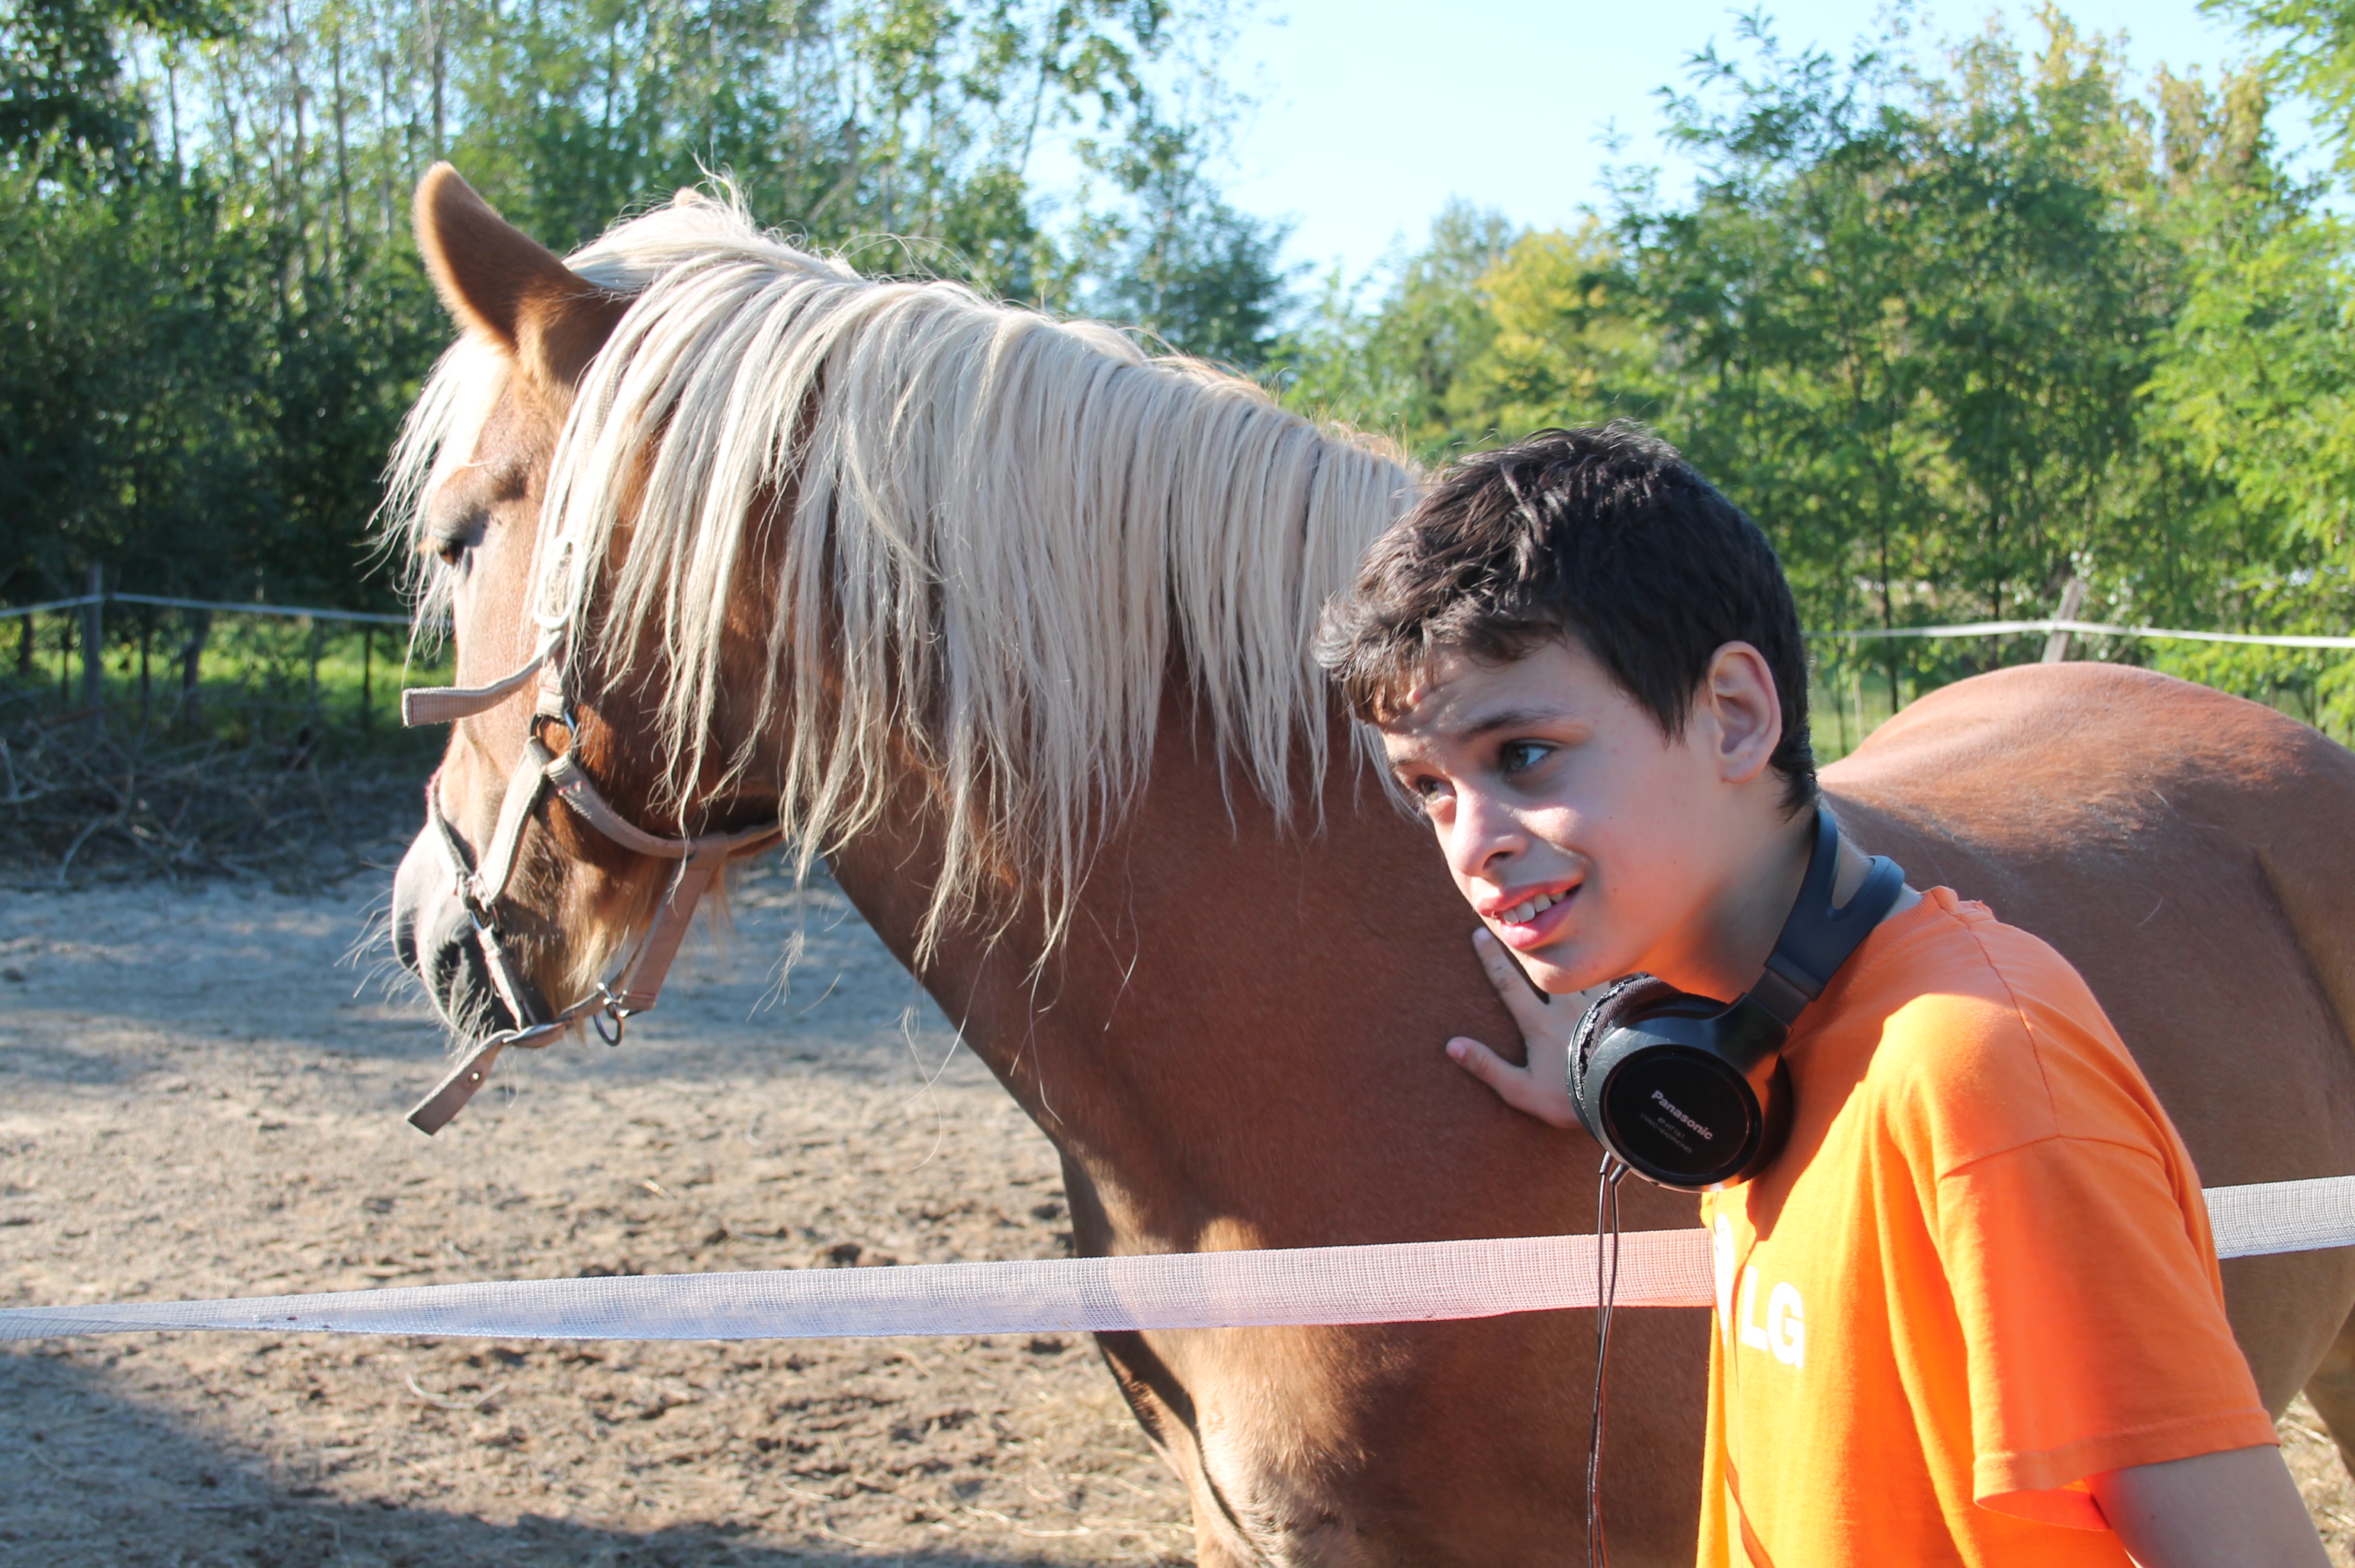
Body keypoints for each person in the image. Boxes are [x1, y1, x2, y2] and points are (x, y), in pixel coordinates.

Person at [1314, 424, 2328, 1568]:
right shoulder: (1745, 1051)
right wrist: (1598, 1071)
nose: (1473, 843)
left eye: (1526, 755)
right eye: (1430, 788)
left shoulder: (1974, 1074)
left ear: (1735, 715)